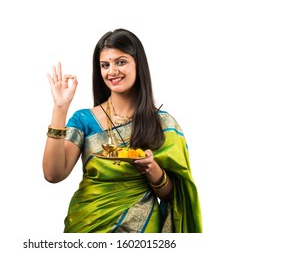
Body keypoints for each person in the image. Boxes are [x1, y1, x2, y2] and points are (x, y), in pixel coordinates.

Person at [42, 28, 202, 233]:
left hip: (141, 230)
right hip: (88, 225)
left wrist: (152, 169)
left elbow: (174, 195)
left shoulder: (161, 123)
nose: (112, 71)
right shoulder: (84, 120)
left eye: (121, 62)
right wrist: (60, 109)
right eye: (105, 65)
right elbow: (53, 174)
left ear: (138, 64)